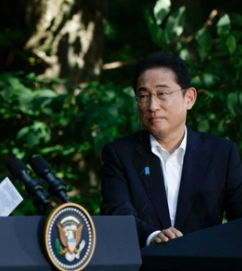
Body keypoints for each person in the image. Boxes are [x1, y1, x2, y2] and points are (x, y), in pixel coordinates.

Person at [100, 52, 242, 248]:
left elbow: (238, 222)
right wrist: (153, 237)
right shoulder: (119, 154)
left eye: (162, 94)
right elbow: (117, 213)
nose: (152, 106)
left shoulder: (221, 153)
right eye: (143, 96)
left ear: (189, 98)